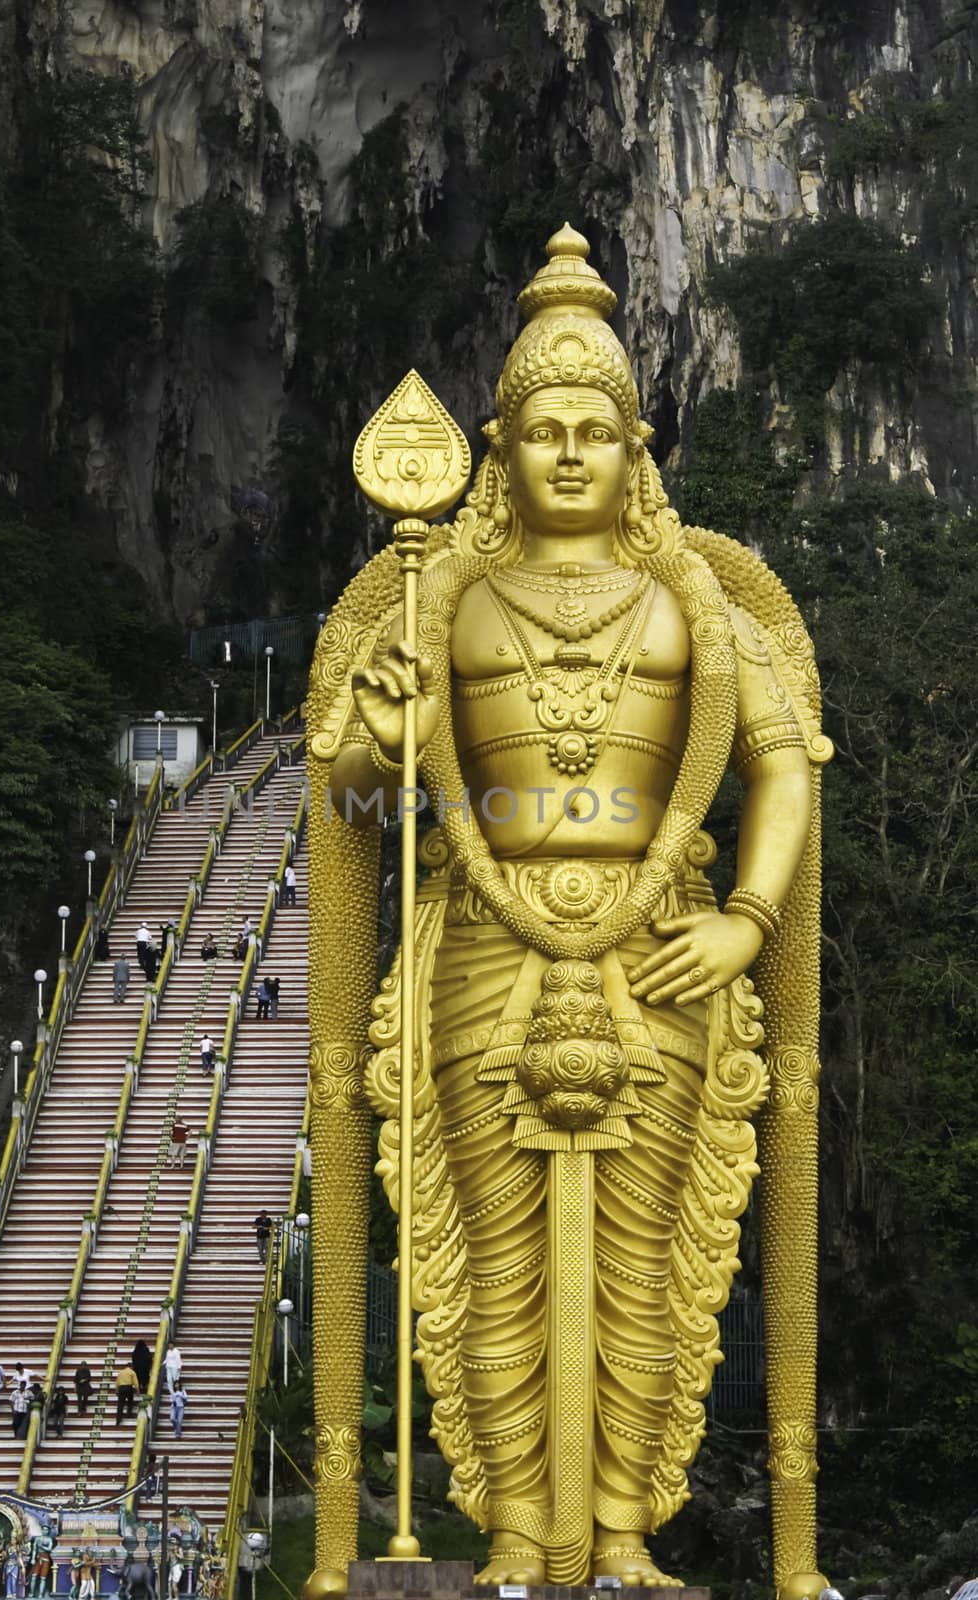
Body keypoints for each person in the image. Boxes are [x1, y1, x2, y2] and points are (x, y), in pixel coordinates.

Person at [305, 226, 828, 1593]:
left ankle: (619, 1535)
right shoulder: (448, 589)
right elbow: (349, 769)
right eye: (544, 430)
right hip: (482, 941)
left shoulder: (694, 597)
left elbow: (781, 766)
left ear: (637, 446)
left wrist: (749, 921)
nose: (573, 453)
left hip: (664, 947)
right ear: (499, 447)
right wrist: (387, 725)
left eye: (599, 428)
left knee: (645, 1265)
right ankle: (515, 1541)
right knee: (490, 1258)